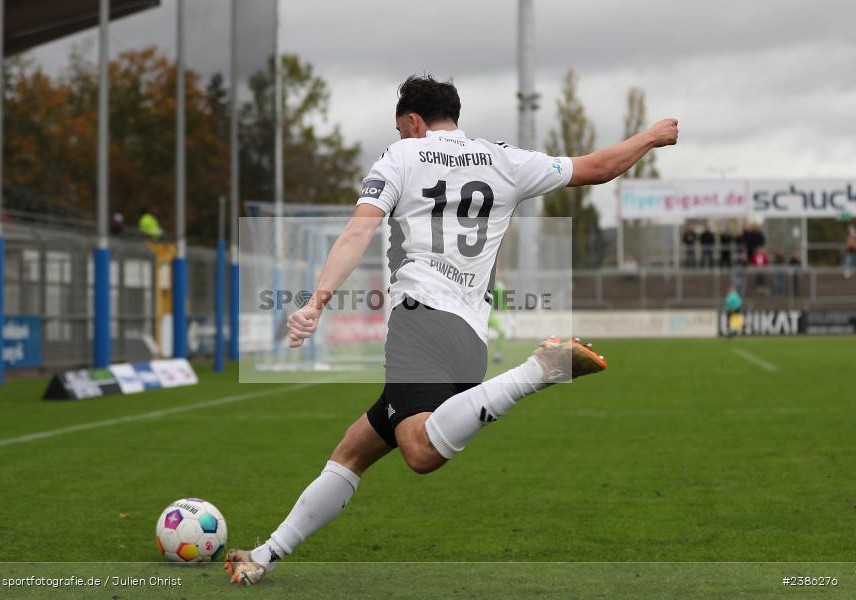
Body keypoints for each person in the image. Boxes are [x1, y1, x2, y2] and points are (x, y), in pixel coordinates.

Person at [224, 75, 680, 585]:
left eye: (402, 129)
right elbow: (597, 168)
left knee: (419, 452)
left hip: (420, 320)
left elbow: (359, 229)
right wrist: (649, 137)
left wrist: (317, 301)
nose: (402, 137)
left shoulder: (400, 158)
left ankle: (538, 370)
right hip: (468, 338)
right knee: (355, 449)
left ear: (414, 121)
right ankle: (264, 556)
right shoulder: (504, 159)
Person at [488, 271, 507, 364]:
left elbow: (501, 304)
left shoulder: (500, 286)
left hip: (490, 316)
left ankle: (497, 355)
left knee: (502, 332)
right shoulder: (483, 283)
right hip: (480, 315)